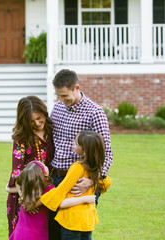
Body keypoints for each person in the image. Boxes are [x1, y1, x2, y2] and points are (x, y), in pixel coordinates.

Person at [49, 69, 113, 240]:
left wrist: (93, 180)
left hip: (81, 184)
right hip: (56, 179)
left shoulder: (94, 113)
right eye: (58, 96)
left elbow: (106, 153)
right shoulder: (57, 108)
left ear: (76, 87)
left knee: (76, 234)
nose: (61, 100)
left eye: (65, 96)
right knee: (53, 233)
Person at [40, 130, 112, 240]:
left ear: (84, 151)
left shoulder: (78, 167)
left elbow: (62, 189)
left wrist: (39, 201)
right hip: (87, 220)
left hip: (72, 220)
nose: (73, 143)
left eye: (76, 143)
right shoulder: (97, 169)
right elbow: (106, 184)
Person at [8, 161, 96, 240]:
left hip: (20, 233)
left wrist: (24, 198)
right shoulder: (49, 191)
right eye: (43, 165)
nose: (45, 164)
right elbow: (62, 203)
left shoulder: (27, 188)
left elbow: (8, 189)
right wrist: (85, 199)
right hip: (37, 235)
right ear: (44, 175)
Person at [6, 95, 55, 236]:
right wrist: (26, 200)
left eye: (40, 118)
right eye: (32, 121)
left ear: (44, 113)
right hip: (25, 194)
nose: (38, 123)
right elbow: (17, 171)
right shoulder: (21, 138)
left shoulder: (53, 131)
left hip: (46, 193)